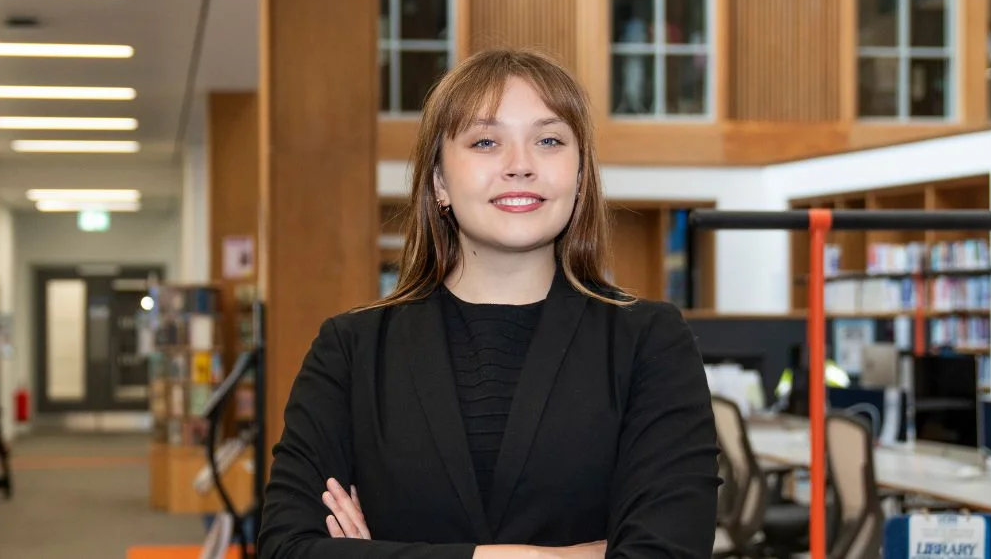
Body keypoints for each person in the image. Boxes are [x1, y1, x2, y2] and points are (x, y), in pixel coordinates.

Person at [258, 48, 720, 559]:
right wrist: (544, 557)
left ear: (581, 176)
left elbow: (669, 551)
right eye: (485, 141)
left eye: (549, 140)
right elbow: (287, 548)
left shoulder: (648, 342)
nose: (520, 165)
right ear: (439, 183)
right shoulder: (351, 350)